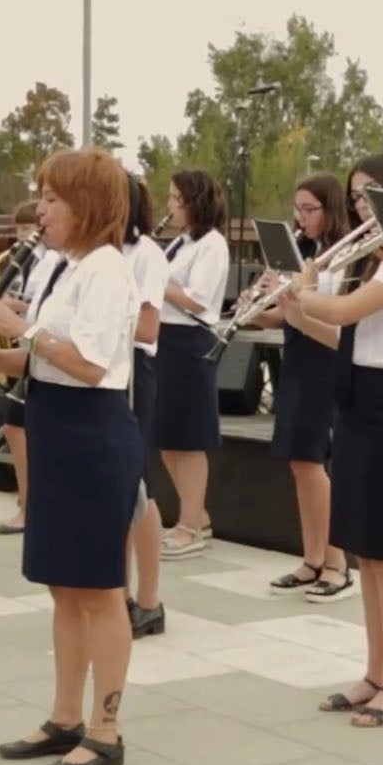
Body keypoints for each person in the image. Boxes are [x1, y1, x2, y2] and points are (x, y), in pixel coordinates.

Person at [0, 147, 142, 765]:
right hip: (57, 424)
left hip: (93, 435)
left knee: (100, 590)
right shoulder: (62, 269)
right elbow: (40, 359)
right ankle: (65, 716)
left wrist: (23, 326)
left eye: (51, 199)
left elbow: (90, 363)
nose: (40, 209)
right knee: (64, 587)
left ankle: (107, 728)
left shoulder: (108, 271)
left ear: (86, 205)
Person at [294, 153, 383, 730]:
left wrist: (306, 291)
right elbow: (344, 333)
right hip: (357, 398)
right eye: (356, 196)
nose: (361, 205)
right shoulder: (371, 259)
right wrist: (295, 310)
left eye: (371, 194)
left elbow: (353, 307)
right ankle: (375, 673)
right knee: (366, 554)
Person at [258, 172, 356, 601]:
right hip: (297, 356)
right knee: (299, 461)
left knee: (316, 462)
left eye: (309, 209)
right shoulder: (302, 252)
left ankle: (338, 562)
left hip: (326, 359)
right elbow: (279, 318)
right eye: (297, 209)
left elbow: (336, 313)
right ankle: (311, 557)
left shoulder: (346, 252)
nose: (302, 218)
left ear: (331, 208)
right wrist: (262, 302)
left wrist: (297, 295)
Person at [155, 168, 231, 558]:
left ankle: (189, 526)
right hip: (165, 340)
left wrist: (152, 279)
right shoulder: (180, 243)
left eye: (175, 199)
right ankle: (195, 514)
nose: (169, 206)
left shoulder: (212, 244)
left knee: (188, 439)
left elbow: (198, 299)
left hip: (190, 341)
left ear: (194, 202)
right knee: (167, 438)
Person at [122, 176, 170, 637]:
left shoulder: (146, 254)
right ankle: (116, 593)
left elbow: (149, 327)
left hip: (134, 368)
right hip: (108, 368)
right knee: (115, 487)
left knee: (138, 486)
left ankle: (149, 600)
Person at [0, 199, 47, 535]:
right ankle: (26, 502)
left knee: (24, 429)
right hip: (31, 352)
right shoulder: (27, 261)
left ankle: (31, 506)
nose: (25, 235)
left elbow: (43, 310)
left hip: (43, 351)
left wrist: (16, 309)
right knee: (14, 428)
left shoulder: (52, 260)